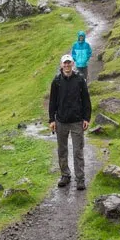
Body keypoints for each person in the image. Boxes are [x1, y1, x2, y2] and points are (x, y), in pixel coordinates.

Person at [49, 54, 91, 190]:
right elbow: (52, 102)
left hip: (77, 121)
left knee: (78, 151)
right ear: (61, 65)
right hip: (61, 121)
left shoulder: (80, 80)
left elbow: (86, 100)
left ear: (72, 64)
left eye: (69, 63)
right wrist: (51, 119)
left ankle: (80, 179)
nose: (67, 65)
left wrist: (86, 118)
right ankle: (65, 175)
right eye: (64, 63)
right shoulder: (56, 81)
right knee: (62, 150)